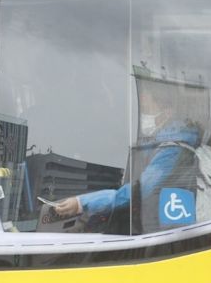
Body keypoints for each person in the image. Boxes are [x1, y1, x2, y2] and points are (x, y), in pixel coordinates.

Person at [55, 92, 201, 234]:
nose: (141, 116)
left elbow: (140, 189)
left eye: (146, 110)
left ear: (167, 113)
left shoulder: (173, 148)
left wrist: (83, 203)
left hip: (164, 234)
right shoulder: (154, 141)